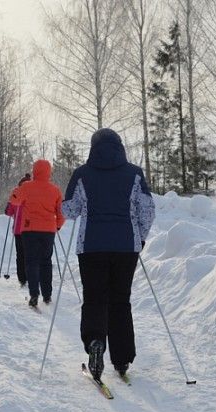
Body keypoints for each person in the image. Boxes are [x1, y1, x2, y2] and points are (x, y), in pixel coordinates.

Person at [62, 128, 155, 381]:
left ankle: (95, 341)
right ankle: (122, 358)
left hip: (91, 246)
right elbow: (146, 210)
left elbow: (69, 210)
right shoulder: (134, 173)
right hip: (126, 246)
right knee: (120, 300)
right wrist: (141, 237)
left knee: (94, 298)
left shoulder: (82, 174)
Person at [9, 160, 65, 308]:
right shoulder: (55, 190)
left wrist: (18, 187)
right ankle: (47, 295)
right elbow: (61, 212)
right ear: (49, 172)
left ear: (34, 171)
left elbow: (13, 201)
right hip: (48, 230)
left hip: (29, 229)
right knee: (46, 261)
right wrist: (58, 225)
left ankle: (34, 293)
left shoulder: (27, 187)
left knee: (31, 261)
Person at [5, 173, 31, 287]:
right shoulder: (35, 193)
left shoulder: (15, 193)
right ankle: (32, 276)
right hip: (32, 230)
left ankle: (22, 278)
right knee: (31, 254)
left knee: (20, 254)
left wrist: (9, 203)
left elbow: (8, 212)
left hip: (18, 230)